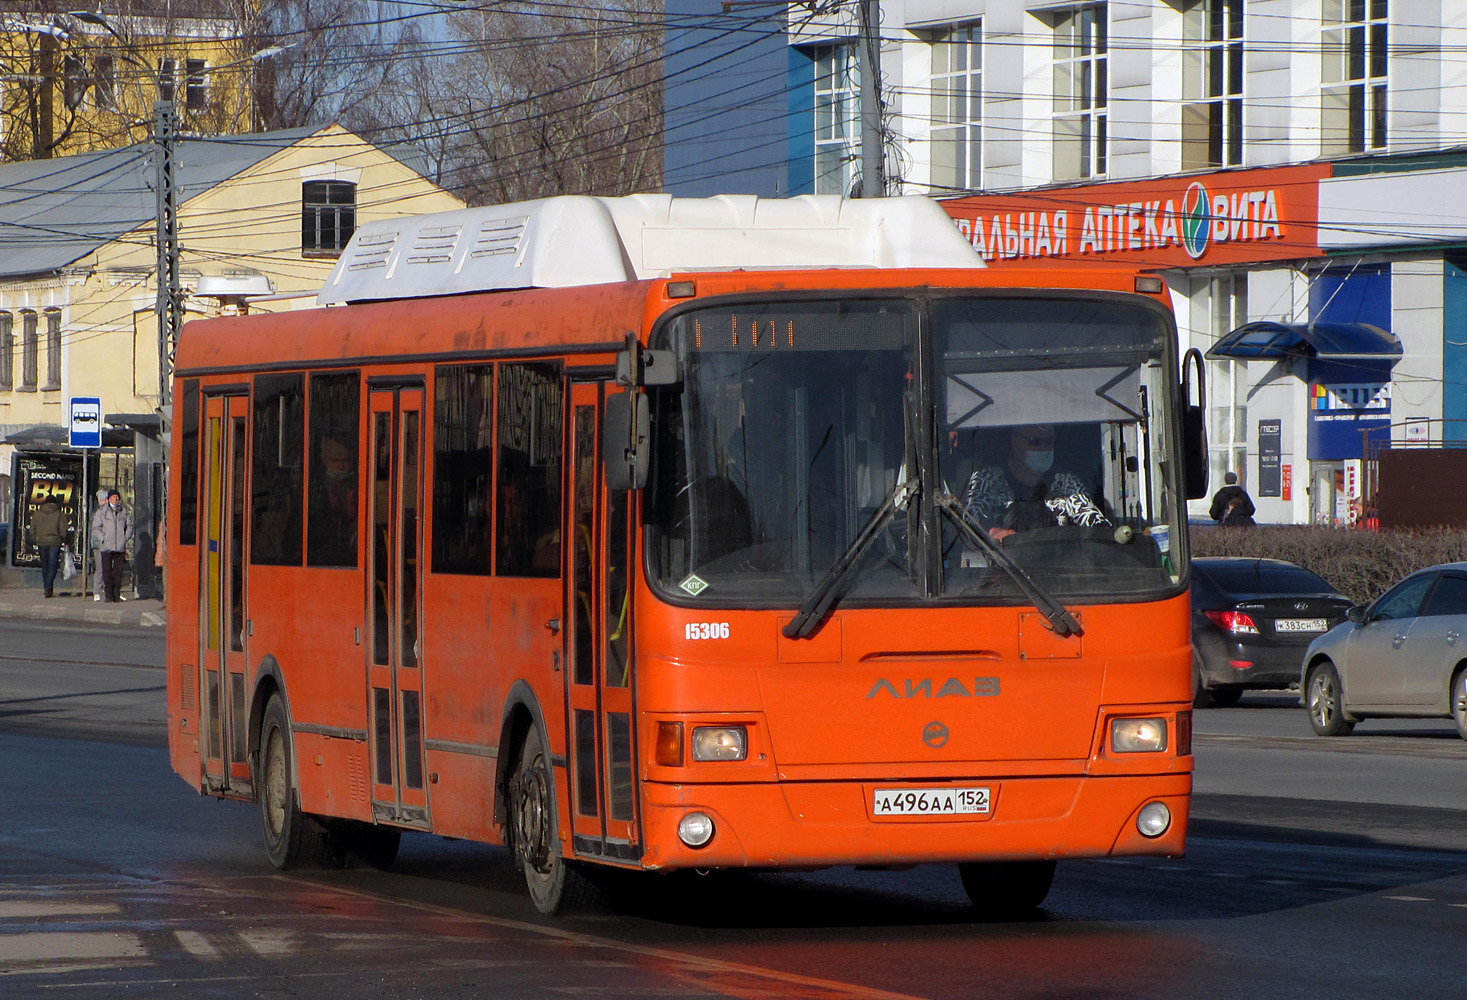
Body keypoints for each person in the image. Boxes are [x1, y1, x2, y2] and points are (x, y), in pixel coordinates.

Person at [962, 423, 1109, 541]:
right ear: (1015, 441)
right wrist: (993, 531)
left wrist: (1107, 533)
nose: (1043, 448)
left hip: (1055, 568)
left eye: (1049, 441)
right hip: (1003, 568)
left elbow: (1090, 515)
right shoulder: (989, 478)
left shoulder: (1065, 482)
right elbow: (971, 515)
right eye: (1035, 442)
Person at [91, 488, 133, 603]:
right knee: (106, 571)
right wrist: (103, 538)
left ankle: (116, 594)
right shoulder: (102, 512)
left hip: (119, 546)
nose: (116, 499)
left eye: (117, 497)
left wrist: (125, 537)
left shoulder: (123, 511)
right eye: (114, 497)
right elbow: (96, 527)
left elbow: (129, 525)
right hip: (106, 546)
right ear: (109, 499)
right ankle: (108, 595)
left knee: (118, 572)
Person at [30, 496, 68, 598]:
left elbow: (32, 528)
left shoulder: (37, 514)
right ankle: (48, 586)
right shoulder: (59, 514)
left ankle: (47, 586)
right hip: (55, 542)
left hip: (41, 542)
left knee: (45, 565)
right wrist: (63, 538)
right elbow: (64, 529)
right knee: (53, 565)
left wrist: (36, 538)